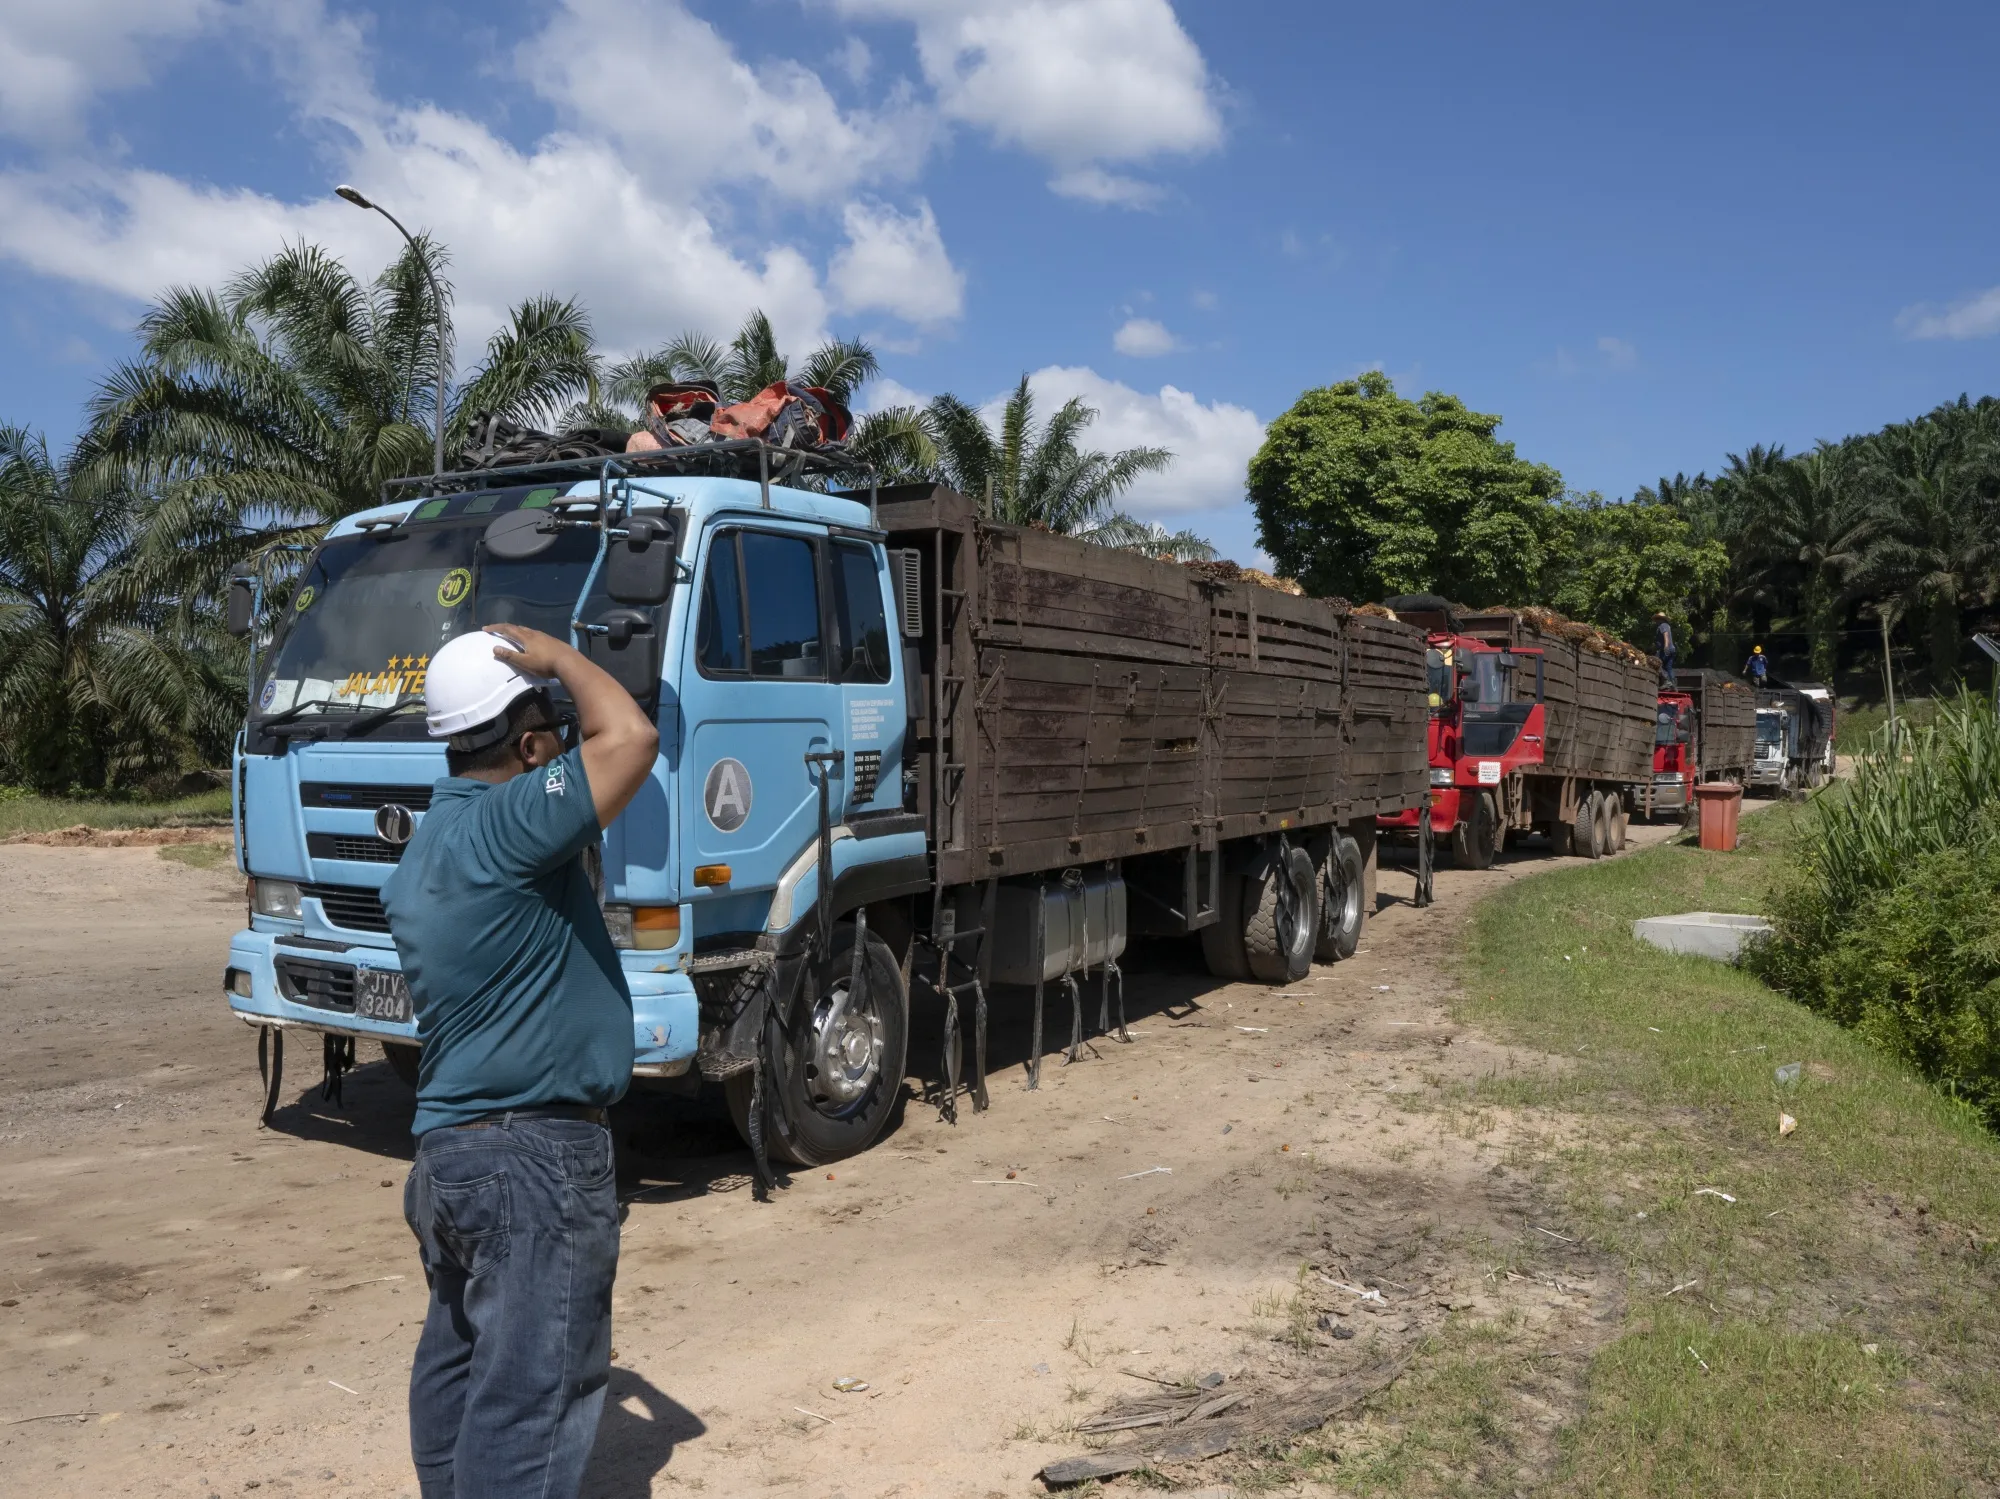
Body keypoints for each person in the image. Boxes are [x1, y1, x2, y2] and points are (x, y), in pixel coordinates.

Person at [381, 622, 659, 1499]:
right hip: (532, 1158)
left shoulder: (426, 848)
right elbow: (633, 737)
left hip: (450, 1157)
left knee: (460, 1364)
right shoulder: (511, 825)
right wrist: (562, 657)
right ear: (531, 741)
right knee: (532, 1395)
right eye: (553, 728)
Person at [1653, 611, 1677, 687]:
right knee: (1668, 667)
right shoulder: (1667, 625)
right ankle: (1673, 684)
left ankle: (1666, 680)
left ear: (1660, 619)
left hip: (1666, 649)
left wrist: (1666, 646)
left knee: (1656, 662)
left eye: (1657, 619)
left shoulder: (1662, 625)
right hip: (1672, 649)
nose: (1656, 621)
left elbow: (1665, 635)